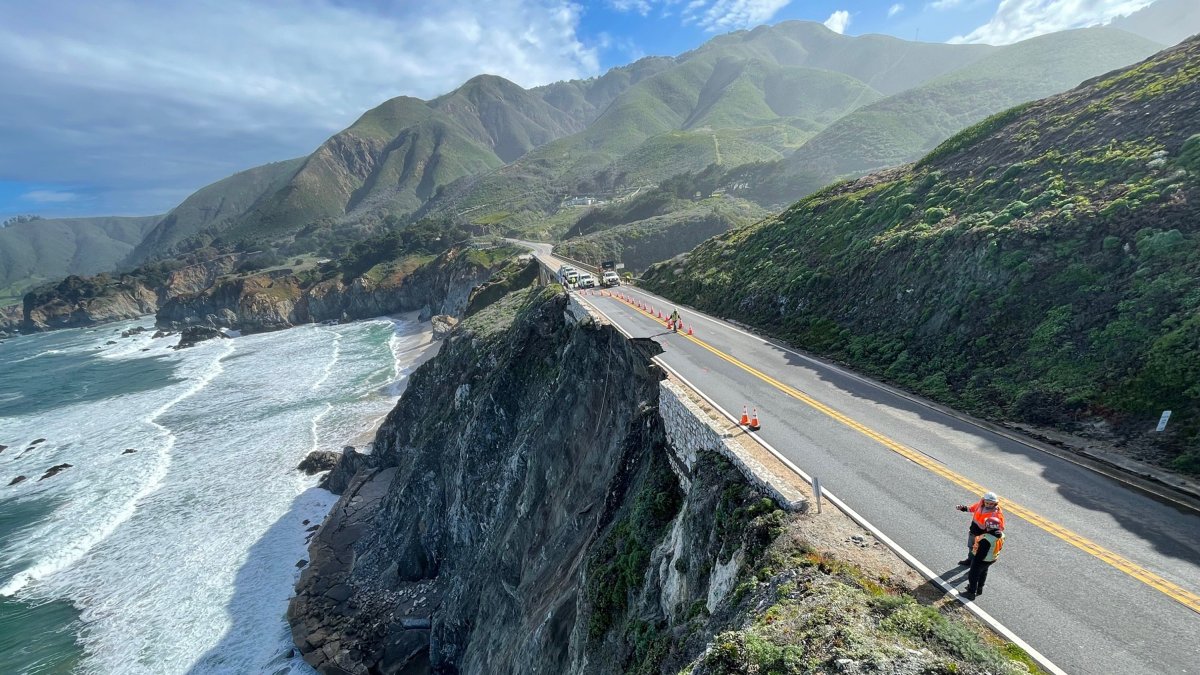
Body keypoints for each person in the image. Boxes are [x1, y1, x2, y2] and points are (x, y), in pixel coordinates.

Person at [955, 491, 1004, 566]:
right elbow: (971, 508)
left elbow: (1000, 526)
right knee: (971, 547)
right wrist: (963, 508)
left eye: (991, 503)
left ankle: (975, 564)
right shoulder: (979, 506)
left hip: (983, 536)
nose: (988, 505)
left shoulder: (997, 514)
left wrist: (996, 533)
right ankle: (970, 560)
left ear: (995, 503)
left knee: (979, 550)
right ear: (984, 501)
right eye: (987, 503)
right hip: (973, 532)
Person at [964, 516, 1004, 598]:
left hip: (982, 559)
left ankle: (971, 592)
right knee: (983, 573)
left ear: (987, 526)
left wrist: (976, 561)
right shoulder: (1001, 535)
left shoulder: (986, 539)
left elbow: (981, 553)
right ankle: (979, 589)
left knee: (973, 575)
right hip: (992, 558)